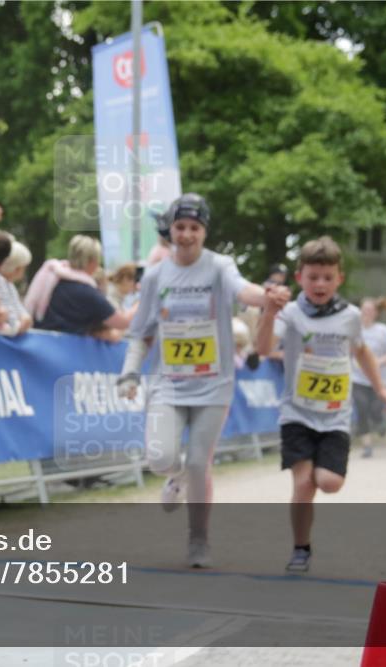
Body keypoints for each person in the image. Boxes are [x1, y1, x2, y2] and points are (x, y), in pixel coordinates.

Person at [117, 193, 290, 568]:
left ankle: (198, 539)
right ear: (170, 230)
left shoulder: (219, 266)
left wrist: (268, 297)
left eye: (194, 228)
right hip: (168, 383)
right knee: (160, 457)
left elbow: (244, 290)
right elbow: (141, 331)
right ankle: (174, 477)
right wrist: (130, 371)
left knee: (200, 462)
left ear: (204, 231)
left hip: (214, 385)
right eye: (180, 227)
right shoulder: (157, 275)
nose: (186, 235)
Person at [254, 236, 386, 573]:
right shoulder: (288, 313)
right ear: (299, 277)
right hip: (297, 413)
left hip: (334, 416)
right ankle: (300, 547)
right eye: (313, 276)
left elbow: (362, 352)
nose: (320, 284)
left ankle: (307, 527)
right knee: (303, 484)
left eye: (327, 277)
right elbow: (262, 348)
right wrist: (268, 312)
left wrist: (380, 388)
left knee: (329, 482)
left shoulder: (349, 316)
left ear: (339, 279)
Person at [30, 235, 137, 343]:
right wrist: (143, 299)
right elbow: (123, 323)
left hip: (42, 346)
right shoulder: (87, 293)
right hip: (68, 351)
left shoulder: (52, 280)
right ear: (92, 261)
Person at [352, 297, 386, 458]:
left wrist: (376, 362)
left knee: (375, 411)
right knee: (362, 409)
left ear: (376, 313)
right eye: (363, 310)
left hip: (378, 380)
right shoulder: (354, 329)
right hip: (357, 379)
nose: (366, 314)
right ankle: (367, 446)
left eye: (370, 311)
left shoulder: (383, 330)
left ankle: (381, 421)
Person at [0, 240, 33, 337]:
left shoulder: (9, 284)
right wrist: (19, 326)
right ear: (16, 268)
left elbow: (18, 307)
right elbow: (8, 314)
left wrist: (25, 317)